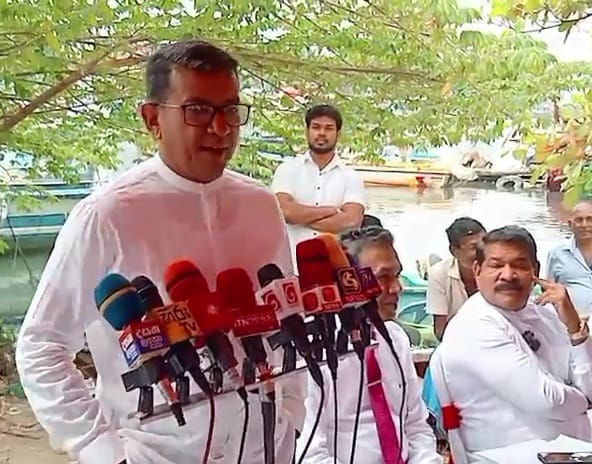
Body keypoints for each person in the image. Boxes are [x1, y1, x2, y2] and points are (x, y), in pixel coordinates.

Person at [15, 40, 304, 464]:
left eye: (230, 110)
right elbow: (42, 346)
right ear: (153, 119)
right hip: (155, 451)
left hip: (265, 445)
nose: (220, 128)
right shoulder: (108, 214)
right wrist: (101, 448)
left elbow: (285, 314)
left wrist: (292, 413)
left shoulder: (261, 204)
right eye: (198, 110)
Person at [437, 226, 592, 459]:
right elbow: (545, 401)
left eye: (519, 265)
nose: (508, 275)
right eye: (496, 265)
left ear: (535, 270)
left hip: (573, 448)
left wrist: (574, 328)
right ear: (477, 270)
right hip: (507, 455)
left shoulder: (546, 311)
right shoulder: (475, 325)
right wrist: (585, 399)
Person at [296, 226, 442, 464]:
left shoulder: (395, 338)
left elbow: (416, 426)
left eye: (397, 275)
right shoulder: (315, 351)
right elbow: (310, 454)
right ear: (347, 281)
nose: (397, 288)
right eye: (383, 277)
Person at [271, 104, 365, 265]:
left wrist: (299, 216)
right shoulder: (287, 169)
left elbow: (351, 222)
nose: (321, 133)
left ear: (338, 134)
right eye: (316, 127)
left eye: (329, 128)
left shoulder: (351, 176)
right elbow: (285, 211)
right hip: (290, 265)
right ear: (307, 131)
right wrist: (330, 211)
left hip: (333, 268)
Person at [426, 217, 486, 339]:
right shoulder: (439, 274)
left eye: (485, 245)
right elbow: (440, 330)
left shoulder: (497, 271)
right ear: (454, 251)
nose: (482, 252)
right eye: (474, 247)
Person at [546, 199, 592, 317]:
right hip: (572, 321)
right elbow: (550, 289)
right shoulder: (557, 254)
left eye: (589, 219)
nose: (584, 225)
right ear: (570, 224)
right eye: (579, 220)